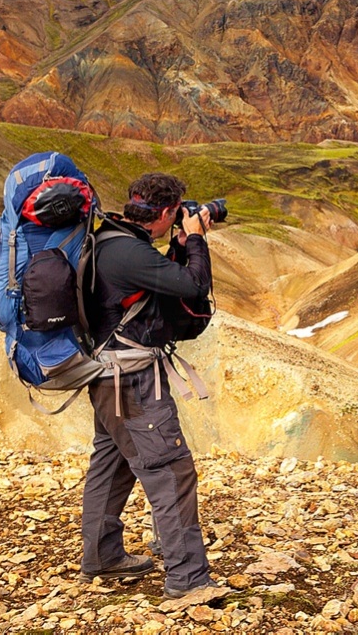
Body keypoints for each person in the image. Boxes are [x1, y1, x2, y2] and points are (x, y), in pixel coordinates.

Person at [78, 172, 216, 599]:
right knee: (171, 472)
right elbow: (193, 286)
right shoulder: (130, 253)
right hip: (133, 380)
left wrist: (177, 242)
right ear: (169, 212)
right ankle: (188, 581)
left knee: (114, 462)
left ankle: (102, 557)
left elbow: (160, 284)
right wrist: (194, 239)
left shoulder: (110, 240)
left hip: (107, 377)